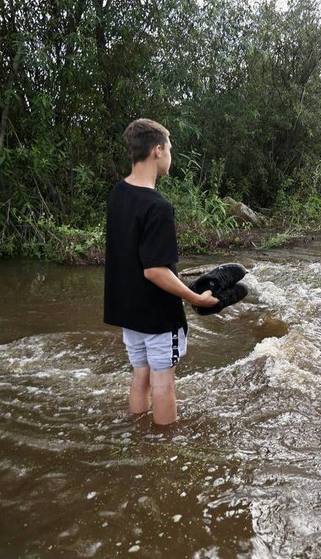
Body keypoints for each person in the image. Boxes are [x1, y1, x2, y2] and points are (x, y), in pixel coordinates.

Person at [104, 118, 218, 425]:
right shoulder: (158, 207)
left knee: (140, 374)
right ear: (157, 150)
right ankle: (163, 450)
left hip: (128, 310)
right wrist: (195, 297)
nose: (171, 155)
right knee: (163, 381)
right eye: (170, 148)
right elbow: (155, 271)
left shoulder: (118, 194)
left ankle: (139, 434)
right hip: (157, 315)